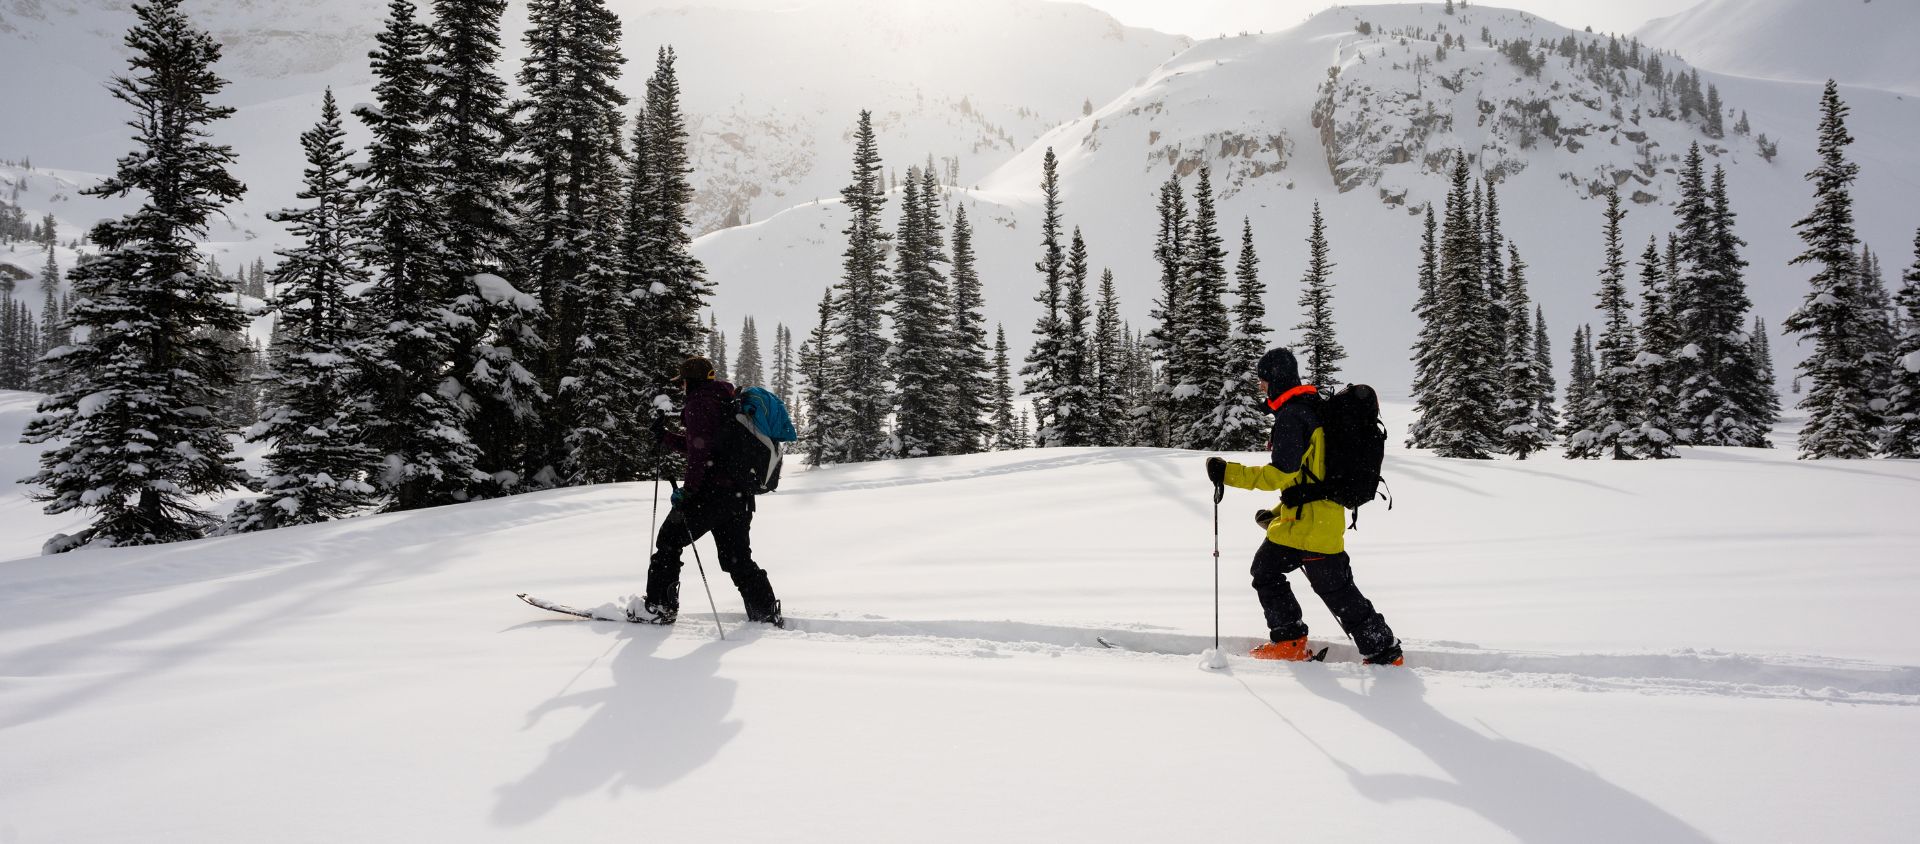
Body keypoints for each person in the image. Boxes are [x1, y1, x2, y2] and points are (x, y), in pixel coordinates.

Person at [1205, 348, 1402, 665]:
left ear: (1275, 380)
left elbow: (1279, 475)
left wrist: (1227, 473)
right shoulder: (1309, 409)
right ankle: (1303, 641)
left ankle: (1375, 650)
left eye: (1263, 381)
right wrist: (1278, 514)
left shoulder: (1293, 416)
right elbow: (1307, 478)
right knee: (1277, 573)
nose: (1261, 387)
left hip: (1308, 529)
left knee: (1330, 588)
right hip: (1315, 522)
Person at [635, 356, 783, 627]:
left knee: (668, 541)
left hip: (711, 495)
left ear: (689, 382)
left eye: (682, 382)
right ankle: (765, 611)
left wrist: (688, 492)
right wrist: (667, 438)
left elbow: (699, 454)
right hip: (739, 497)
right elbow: (707, 445)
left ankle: (658, 607)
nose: (681, 387)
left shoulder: (699, 404)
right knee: (736, 558)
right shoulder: (724, 401)